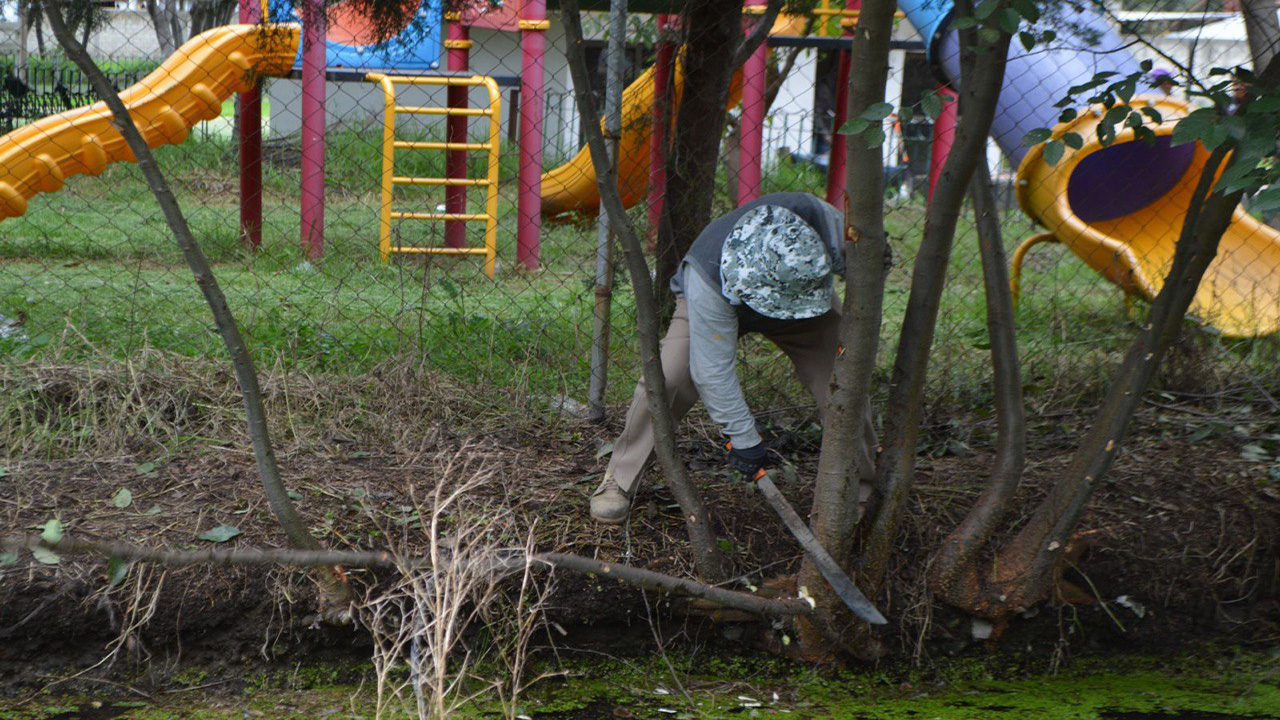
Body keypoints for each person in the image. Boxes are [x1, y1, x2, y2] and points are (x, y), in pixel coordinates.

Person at [590, 192, 878, 525]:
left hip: (805, 300)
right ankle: (619, 479)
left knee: (843, 383)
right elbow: (711, 371)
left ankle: (859, 492)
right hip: (723, 299)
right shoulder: (708, 277)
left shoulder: (828, 224)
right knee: (669, 378)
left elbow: (871, 269)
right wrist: (744, 440)